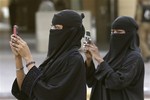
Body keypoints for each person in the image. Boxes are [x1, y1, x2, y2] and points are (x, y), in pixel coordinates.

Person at [10, 10, 86, 100]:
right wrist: (18, 57)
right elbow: (26, 90)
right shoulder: (53, 59)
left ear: (70, 32)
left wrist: (28, 58)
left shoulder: (74, 60)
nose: (52, 30)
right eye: (52, 26)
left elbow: (48, 94)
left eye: (57, 27)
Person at [84, 16, 145, 100]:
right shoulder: (110, 56)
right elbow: (93, 82)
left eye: (119, 32)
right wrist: (89, 60)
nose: (114, 35)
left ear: (130, 34)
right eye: (112, 32)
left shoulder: (134, 58)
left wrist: (99, 59)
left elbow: (117, 82)